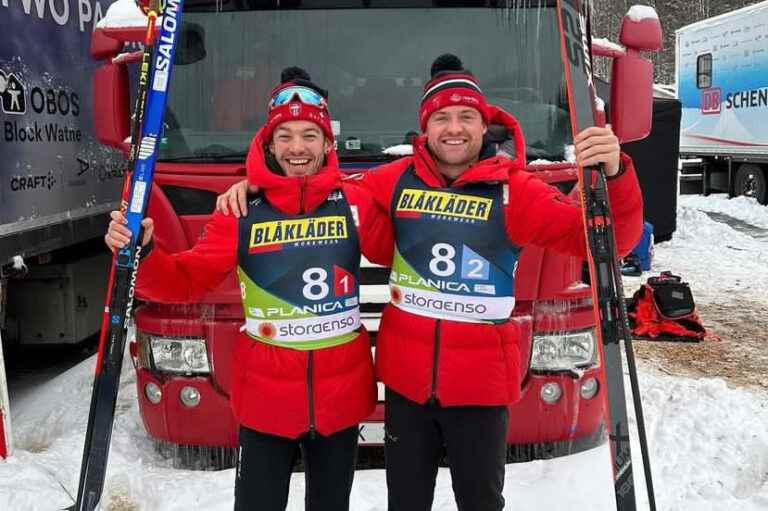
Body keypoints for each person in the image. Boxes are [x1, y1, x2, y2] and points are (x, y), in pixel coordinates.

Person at [216, 54, 644, 511]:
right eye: (441, 117)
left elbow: (602, 241)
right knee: (405, 502)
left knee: (479, 502)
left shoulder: (514, 190)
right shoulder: (395, 180)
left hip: (480, 386)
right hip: (409, 386)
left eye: (465, 117)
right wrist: (255, 185)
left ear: (484, 125)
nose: (453, 128)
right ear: (426, 128)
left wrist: (615, 175)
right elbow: (320, 186)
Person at [105, 67, 393, 511]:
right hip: (266, 399)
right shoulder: (241, 210)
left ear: (328, 143)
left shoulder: (354, 199)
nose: (298, 148)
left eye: (310, 136)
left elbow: (413, 200)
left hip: (341, 396)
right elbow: (185, 281)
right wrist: (142, 252)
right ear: (269, 143)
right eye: (286, 136)